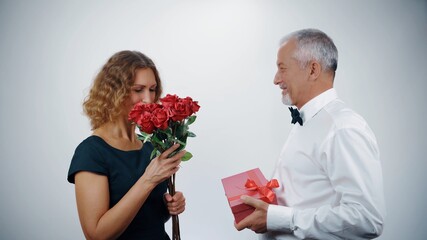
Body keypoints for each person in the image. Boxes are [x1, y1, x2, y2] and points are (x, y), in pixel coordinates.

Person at [235, 29, 386, 239]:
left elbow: (366, 219)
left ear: (313, 70)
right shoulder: (309, 120)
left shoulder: (343, 128)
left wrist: (278, 218)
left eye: (282, 68)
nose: (276, 79)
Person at [67, 50, 186, 240]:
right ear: (114, 92)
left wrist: (169, 205)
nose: (148, 99)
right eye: (138, 90)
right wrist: (148, 180)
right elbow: (96, 235)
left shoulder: (150, 146)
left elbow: (145, 220)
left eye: (152, 89)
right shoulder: (91, 152)